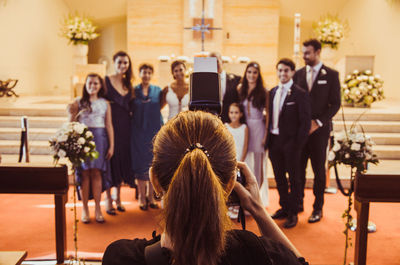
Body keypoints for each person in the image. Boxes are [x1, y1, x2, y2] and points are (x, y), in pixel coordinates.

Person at [102, 111, 308, 265]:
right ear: (229, 186)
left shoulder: (120, 258)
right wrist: (257, 209)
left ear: (154, 180)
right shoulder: (255, 252)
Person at [293, 39, 341, 223]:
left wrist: (318, 122)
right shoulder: (297, 74)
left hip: (320, 132)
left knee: (319, 172)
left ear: (318, 52)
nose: (304, 56)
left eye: (308, 53)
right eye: (304, 52)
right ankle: (298, 203)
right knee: (298, 170)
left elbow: (335, 104)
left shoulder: (331, 75)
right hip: (300, 132)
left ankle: (318, 208)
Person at [266, 58, 311, 228]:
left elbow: (305, 121)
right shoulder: (272, 92)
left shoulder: (300, 93)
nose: (282, 73)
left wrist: (298, 144)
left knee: (294, 178)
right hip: (275, 141)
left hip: (292, 143)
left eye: (286, 70)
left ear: (292, 72)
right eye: (280, 70)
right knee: (279, 178)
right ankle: (284, 207)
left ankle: (293, 213)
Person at [68, 73, 114, 223]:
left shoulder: (104, 103)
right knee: (85, 173)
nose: (92, 86)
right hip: (83, 138)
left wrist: (112, 145)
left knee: (96, 174)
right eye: (90, 83)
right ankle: (85, 209)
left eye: (96, 83)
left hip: (100, 139)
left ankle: (98, 209)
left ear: (100, 86)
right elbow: (72, 122)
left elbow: (109, 125)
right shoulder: (78, 102)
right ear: (85, 84)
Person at [104, 51, 135, 215]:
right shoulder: (106, 81)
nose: (123, 65)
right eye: (120, 62)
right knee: (111, 160)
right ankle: (108, 199)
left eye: (126, 63)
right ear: (114, 62)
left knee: (121, 160)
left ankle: (118, 198)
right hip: (110, 125)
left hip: (125, 127)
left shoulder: (128, 83)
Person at [131, 63, 162, 211]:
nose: (146, 75)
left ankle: (151, 196)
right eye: (144, 72)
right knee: (140, 163)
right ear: (140, 73)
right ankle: (142, 197)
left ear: (152, 74)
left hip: (154, 131)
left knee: (152, 163)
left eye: (149, 72)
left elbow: (160, 106)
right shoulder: (133, 91)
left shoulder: (157, 90)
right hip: (138, 132)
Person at [237, 62, 269, 188]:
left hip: (258, 127)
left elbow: (268, 114)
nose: (251, 75)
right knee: (244, 159)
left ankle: (258, 192)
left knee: (258, 163)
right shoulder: (240, 89)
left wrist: (266, 135)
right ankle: (245, 190)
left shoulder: (264, 91)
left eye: (254, 72)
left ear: (258, 74)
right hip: (245, 127)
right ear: (246, 73)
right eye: (249, 72)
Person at [225, 102, 249, 219]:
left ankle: (238, 206)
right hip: (230, 159)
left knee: (240, 183)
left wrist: (241, 162)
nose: (233, 115)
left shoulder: (244, 128)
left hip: (240, 160)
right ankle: (230, 205)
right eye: (231, 112)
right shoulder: (225, 126)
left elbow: (245, 146)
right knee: (230, 183)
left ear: (241, 114)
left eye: (236, 112)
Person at [209, 52, 241, 123]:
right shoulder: (206, 82)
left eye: (216, 61)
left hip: (231, 121)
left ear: (222, 62)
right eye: (211, 62)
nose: (214, 64)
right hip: (212, 121)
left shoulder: (236, 80)